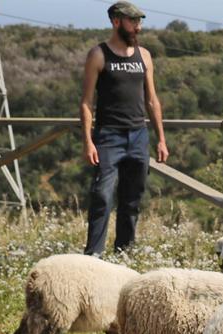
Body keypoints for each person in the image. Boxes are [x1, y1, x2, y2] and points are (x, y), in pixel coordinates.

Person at [78, 1, 168, 256]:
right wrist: (88, 141)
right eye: (133, 21)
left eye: (139, 22)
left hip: (139, 135)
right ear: (116, 21)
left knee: (132, 200)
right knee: (102, 197)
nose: (137, 27)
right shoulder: (99, 54)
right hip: (108, 136)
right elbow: (86, 102)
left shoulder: (145, 56)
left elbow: (152, 100)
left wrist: (161, 139)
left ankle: (124, 253)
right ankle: (93, 256)